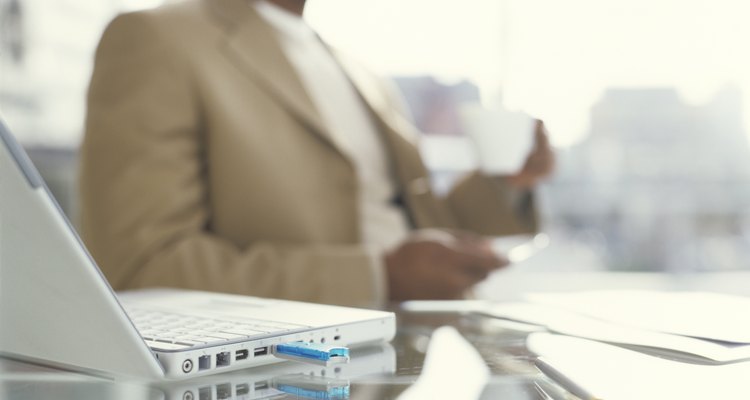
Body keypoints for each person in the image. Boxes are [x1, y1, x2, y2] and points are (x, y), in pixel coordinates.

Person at [79, 0, 554, 308]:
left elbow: (418, 222)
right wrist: (379, 277)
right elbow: (140, 267)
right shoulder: (155, 38)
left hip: (416, 357)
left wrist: (505, 181)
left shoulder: (359, 71)